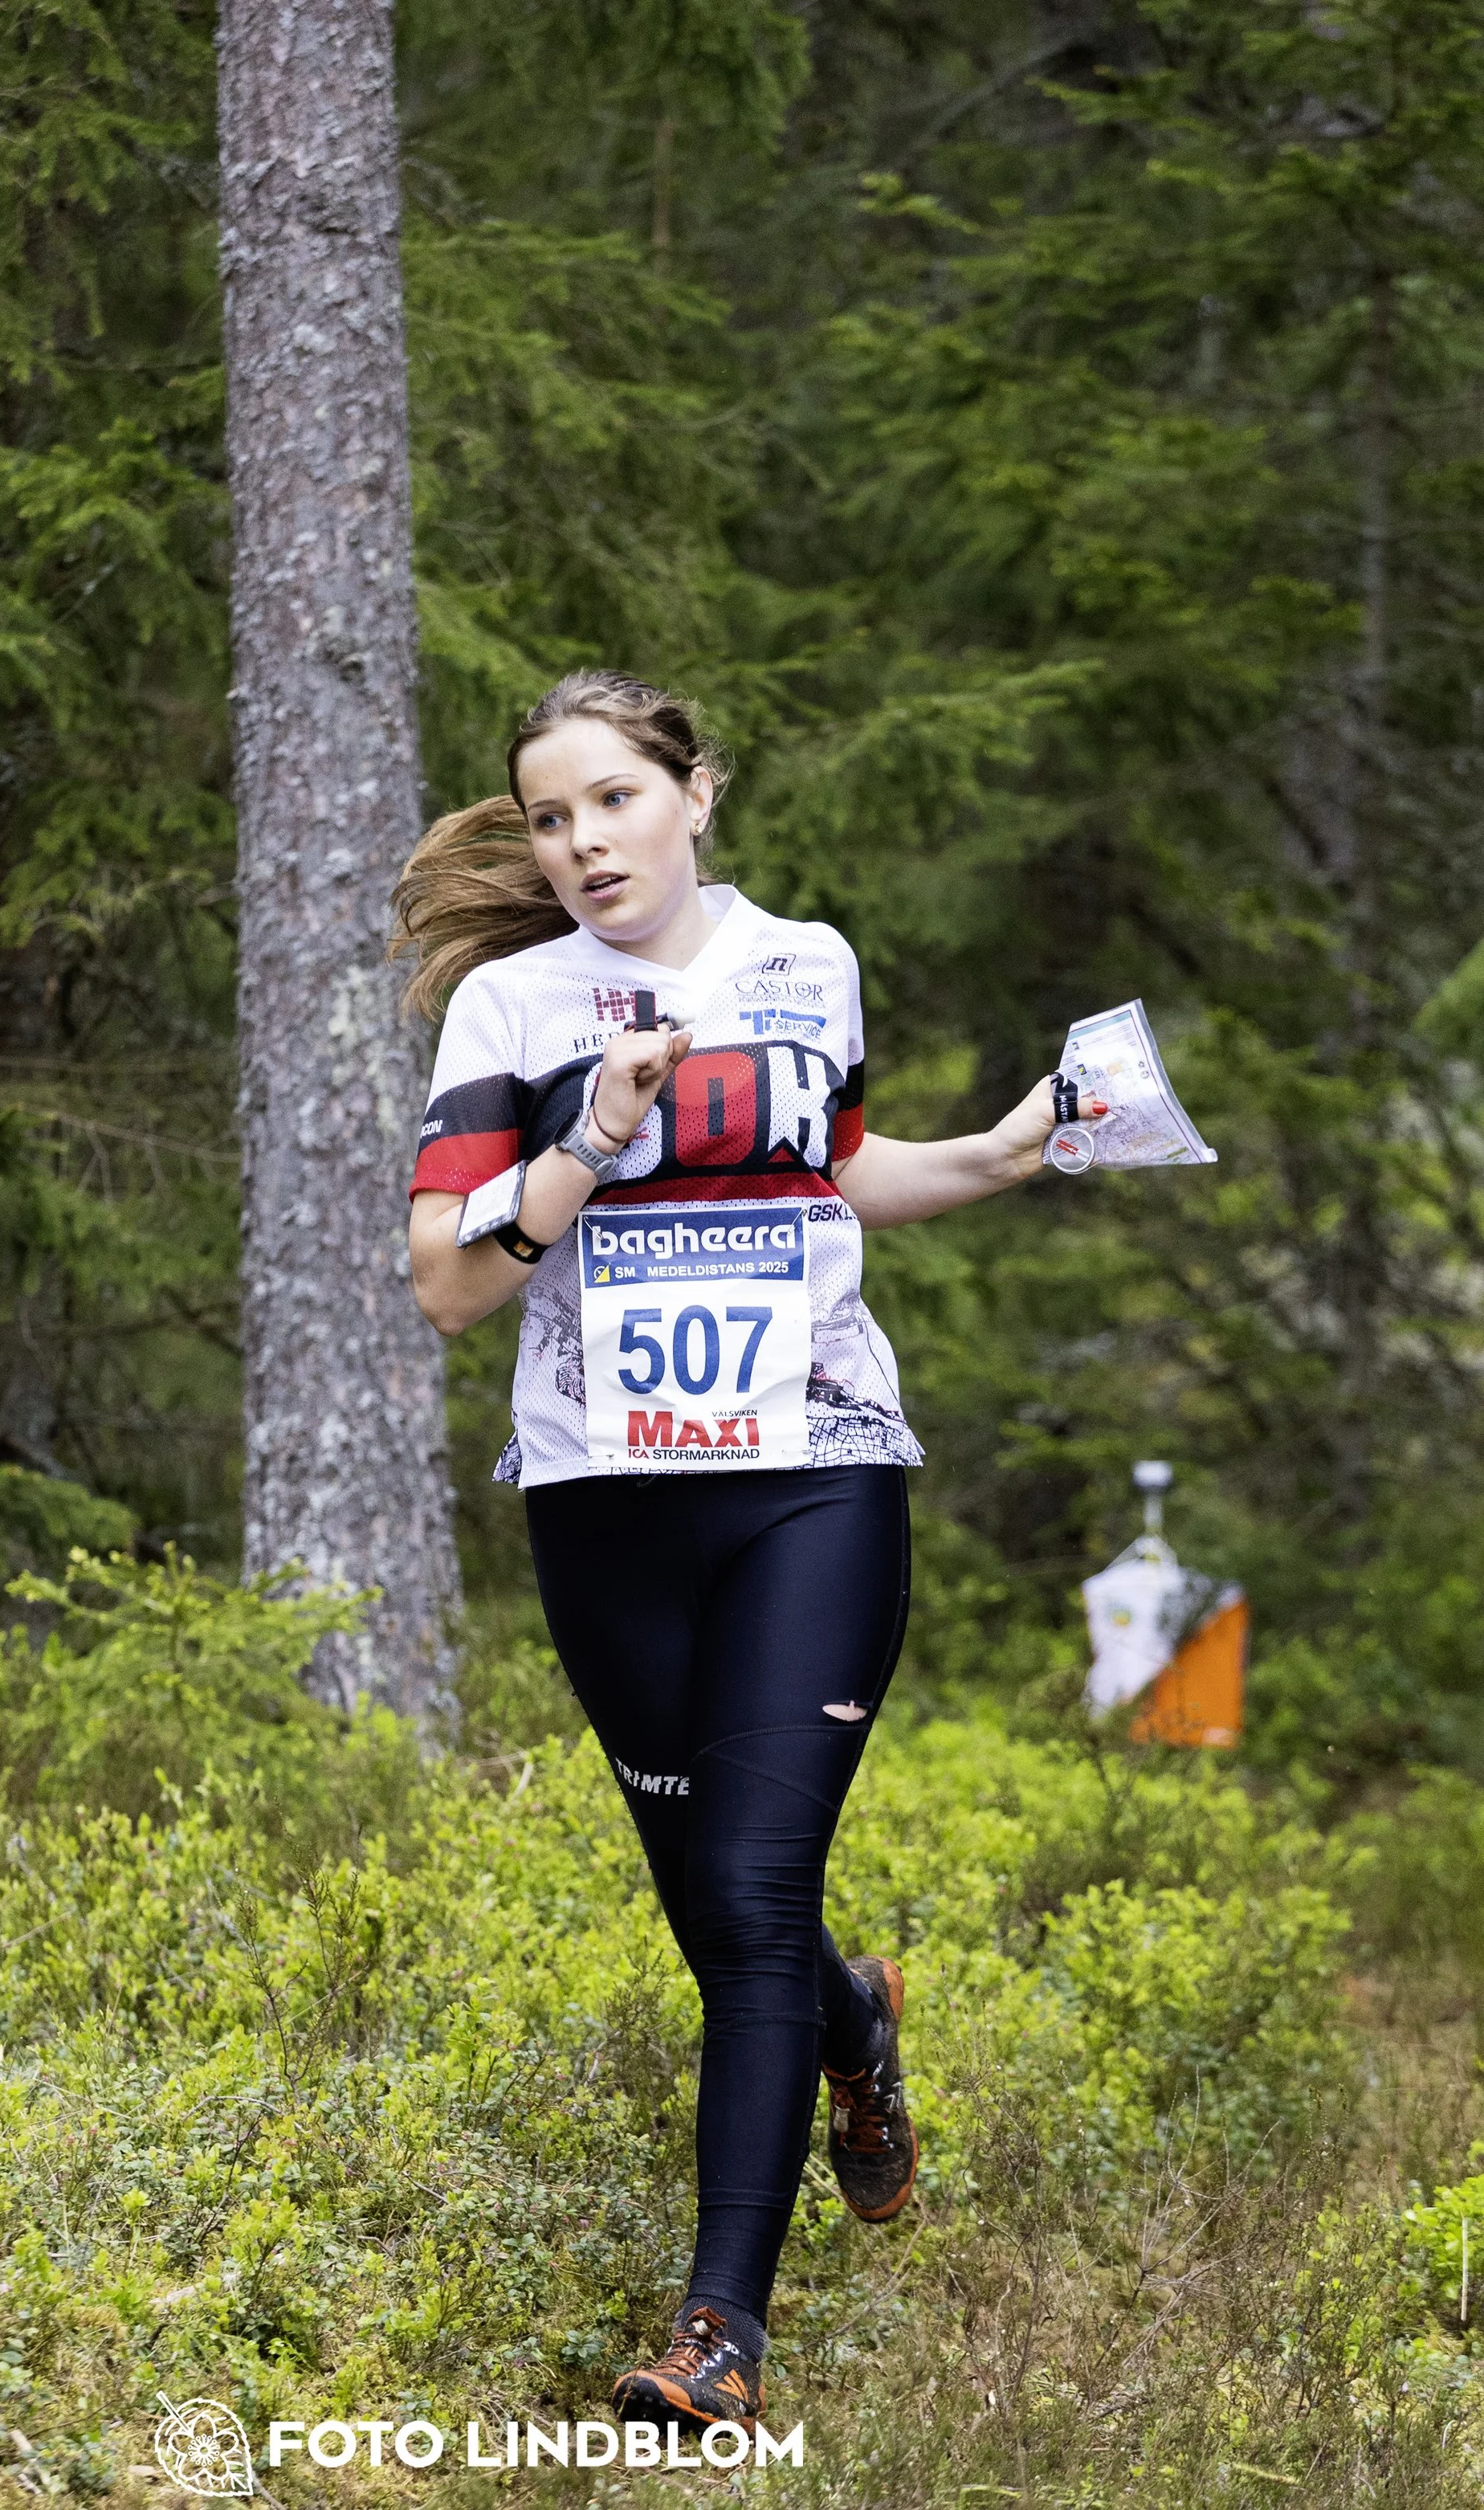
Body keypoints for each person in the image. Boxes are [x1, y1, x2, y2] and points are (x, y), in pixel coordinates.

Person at [393, 670, 1093, 2437]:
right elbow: (447, 1281)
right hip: (603, 1499)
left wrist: (1005, 1155)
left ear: (694, 794)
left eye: (612, 801)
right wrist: (585, 1143)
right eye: (551, 818)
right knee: (718, 1911)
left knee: (757, 1890)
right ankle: (853, 2023)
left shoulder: (805, 961)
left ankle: (718, 2333)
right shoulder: (507, 1003)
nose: (579, 844)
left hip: (813, 1472)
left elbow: (834, 1173)